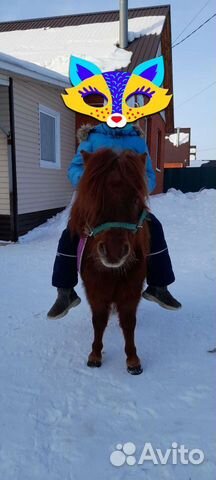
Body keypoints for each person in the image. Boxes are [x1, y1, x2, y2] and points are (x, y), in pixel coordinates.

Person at [47, 123, 182, 319]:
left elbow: (149, 174)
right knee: (70, 232)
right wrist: (91, 181)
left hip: (127, 200)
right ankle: (65, 291)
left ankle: (158, 286)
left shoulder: (137, 141)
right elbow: (75, 168)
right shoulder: (91, 139)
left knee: (154, 226)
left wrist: (137, 184)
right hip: (98, 200)